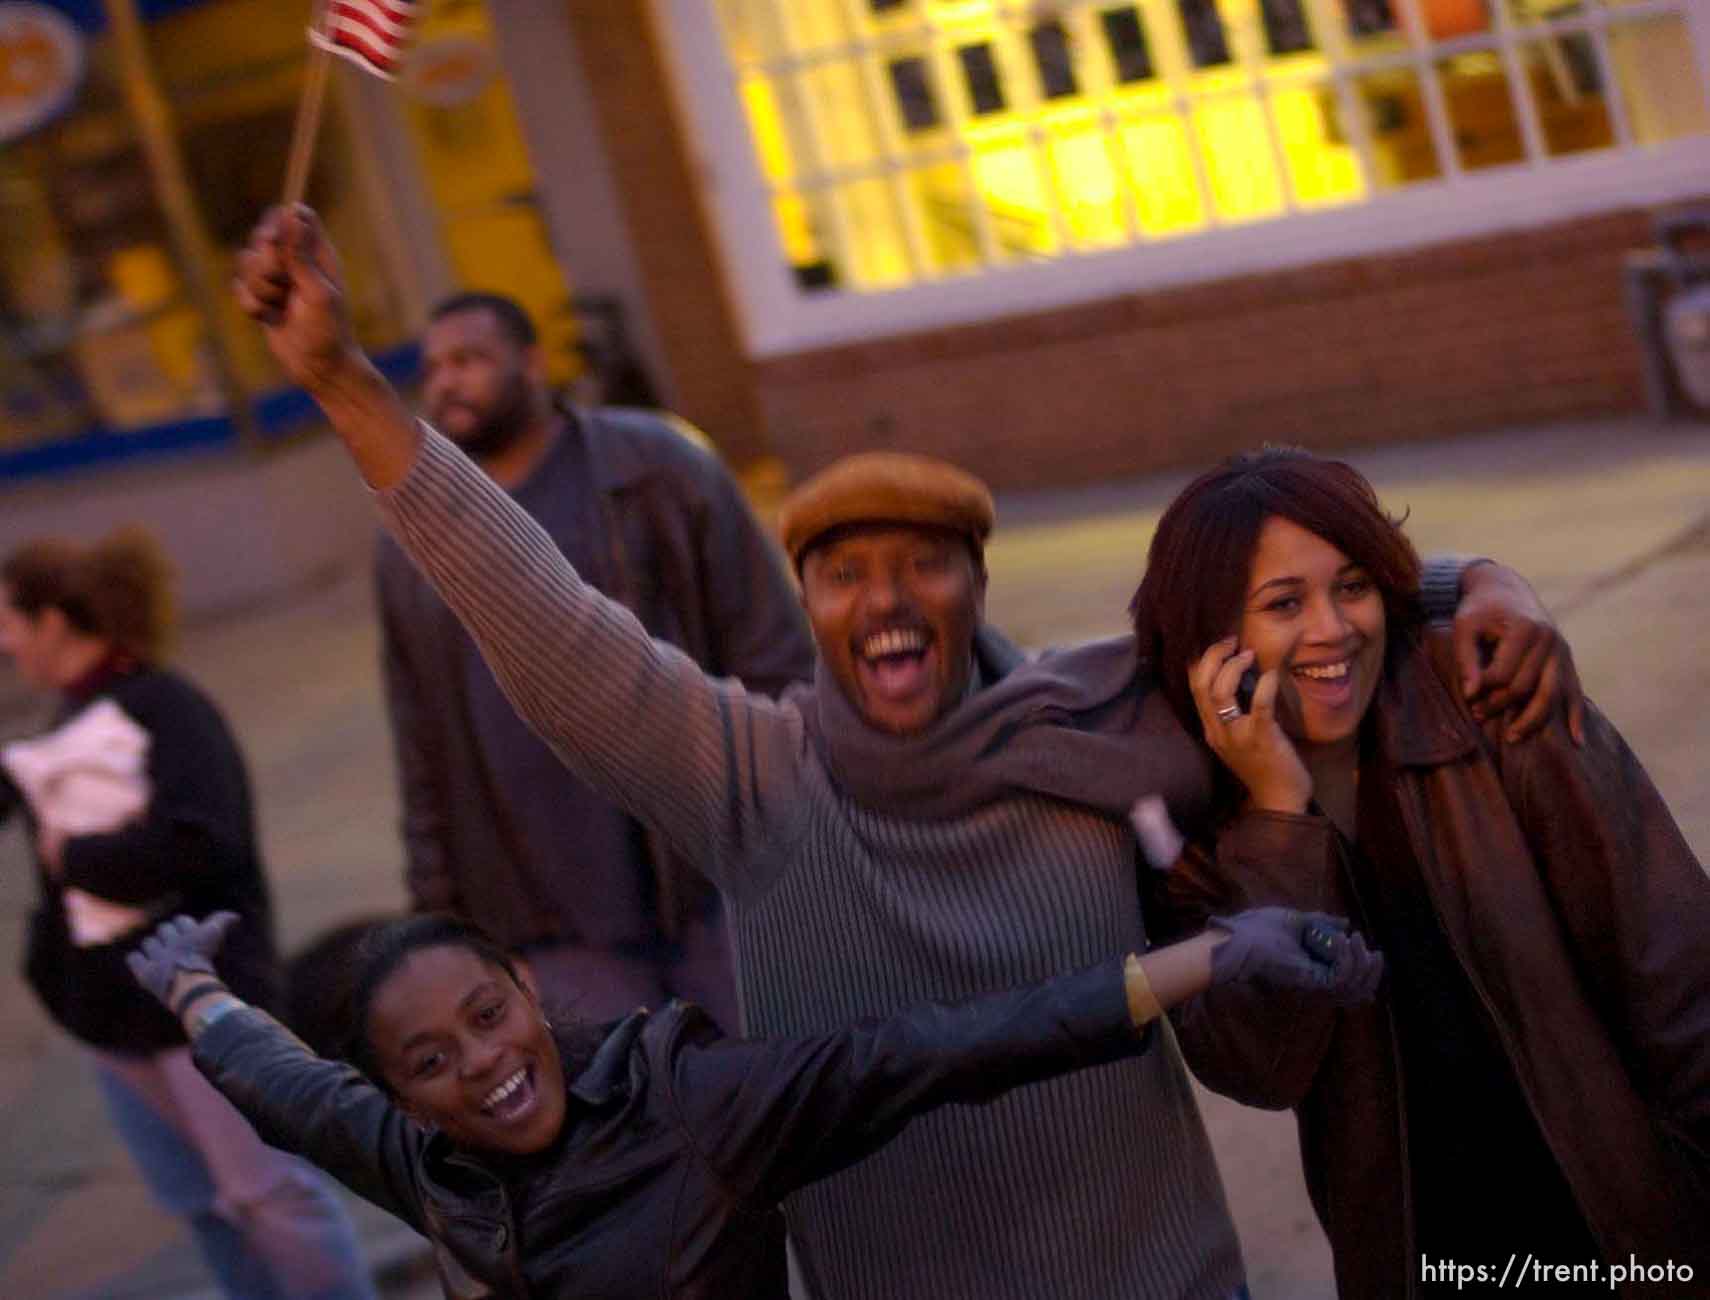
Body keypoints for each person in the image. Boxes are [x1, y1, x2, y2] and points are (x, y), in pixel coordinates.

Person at [233, 204, 1579, 1300]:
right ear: (806, 606)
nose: (884, 600)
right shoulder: (743, 776)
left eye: (923, 564)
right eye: (840, 573)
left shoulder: (1100, 721)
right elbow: (538, 615)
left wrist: (1474, 585)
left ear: (972, 587)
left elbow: (1300, 606)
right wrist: (346, 379)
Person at [127, 903, 1379, 1300]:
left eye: (487, 1015)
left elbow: (942, 1047)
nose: (480, 1063)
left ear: (525, 988)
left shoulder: (695, 1103)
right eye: (429, 1059)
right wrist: (192, 993)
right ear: (401, 1086)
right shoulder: (421, 1157)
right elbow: (288, 1088)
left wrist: (1217, 952)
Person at [1129, 447, 1710, 1299]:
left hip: (1622, 1233)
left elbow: (1680, 984)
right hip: (1416, 1257)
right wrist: (1279, 817)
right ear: (1215, 642)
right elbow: (1259, 1068)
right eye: (1284, 604)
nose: (1333, 628)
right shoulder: (1187, 819)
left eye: (1352, 587)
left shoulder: (1491, 697)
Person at [377, 290, 811, 1030]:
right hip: (548, 920)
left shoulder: (656, 467)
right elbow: (423, 750)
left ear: (534, 365)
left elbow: (772, 648)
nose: (446, 381)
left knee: (778, 1081)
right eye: (433, 367)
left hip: (713, 875)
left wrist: (796, 822)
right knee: (644, 1122)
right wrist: (441, 920)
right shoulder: (411, 542)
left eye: (470, 359)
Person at [0, 528, 375, 1300]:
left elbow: (208, 844)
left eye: (10, 620)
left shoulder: (166, 709)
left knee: (270, 1197)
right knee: (201, 1206)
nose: (3, 642)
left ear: (54, 622)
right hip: (114, 1018)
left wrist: (76, 860)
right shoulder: (67, 720)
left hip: (202, 1007)